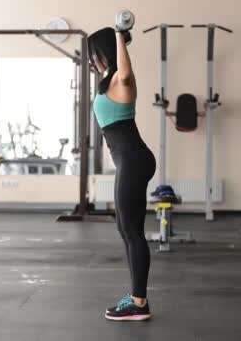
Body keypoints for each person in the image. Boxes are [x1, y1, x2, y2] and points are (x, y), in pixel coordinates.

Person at [88, 26, 156, 321]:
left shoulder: (121, 79)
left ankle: (139, 303)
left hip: (133, 160)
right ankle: (136, 298)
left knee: (132, 231)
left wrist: (119, 35)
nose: (92, 60)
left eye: (93, 54)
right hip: (130, 159)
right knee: (126, 230)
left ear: (106, 51)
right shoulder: (108, 82)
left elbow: (126, 73)